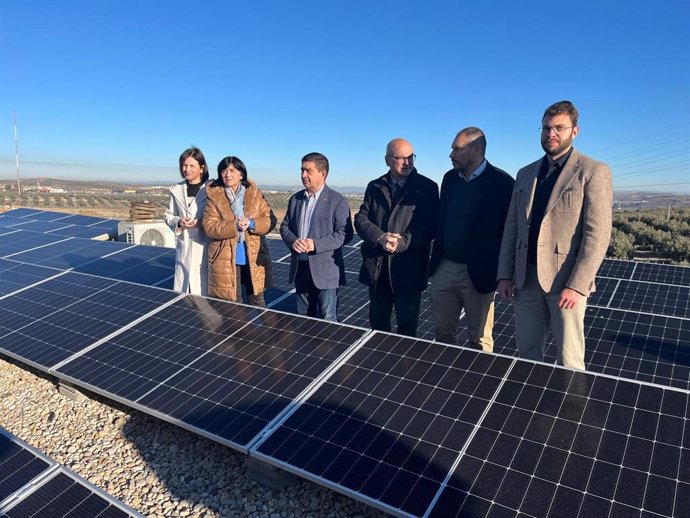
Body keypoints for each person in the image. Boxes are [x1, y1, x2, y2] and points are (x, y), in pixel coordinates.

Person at [497, 100, 613, 370]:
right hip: (525, 280)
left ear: (575, 131)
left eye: (559, 128)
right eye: (546, 128)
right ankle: (528, 405)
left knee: (570, 359)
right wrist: (504, 274)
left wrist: (578, 284)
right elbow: (511, 227)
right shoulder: (525, 174)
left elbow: (598, 234)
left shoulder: (593, 171)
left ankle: (571, 411)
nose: (551, 134)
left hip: (565, 282)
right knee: (527, 354)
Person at [429, 128, 514, 351]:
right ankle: (446, 381)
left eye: (456, 149)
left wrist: (505, 273)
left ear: (476, 150)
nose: (451, 154)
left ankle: (478, 383)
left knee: (480, 339)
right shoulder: (449, 179)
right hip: (444, 267)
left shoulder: (503, 183)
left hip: (479, 272)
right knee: (443, 333)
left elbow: (510, 231)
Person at [355, 138, 438, 336]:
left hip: (409, 268)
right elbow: (361, 219)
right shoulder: (374, 186)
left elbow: (429, 225)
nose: (407, 162)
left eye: (410, 157)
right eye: (400, 158)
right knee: (378, 325)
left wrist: (402, 242)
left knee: (407, 328)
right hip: (378, 268)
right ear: (387, 160)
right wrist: (380, 237)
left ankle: (405, 365)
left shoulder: (427, 187)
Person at [280, 152, 353, 321]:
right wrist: (293, 241)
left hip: (326, 271)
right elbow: (285, 227)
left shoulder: (337, 200)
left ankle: (328, 348)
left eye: (308, 171)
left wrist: (315, 244)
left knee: (328, 319)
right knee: (304, 318)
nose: (303, 175)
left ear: (323, 173)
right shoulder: (295, 200)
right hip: (301, 268)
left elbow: (345, 234)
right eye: (302, 170)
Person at [203, 156, 276, 306]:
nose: (227, 174)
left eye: (232, 170)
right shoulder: (214, 197)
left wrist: (252, 223)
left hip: (254, 256)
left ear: (241, 174)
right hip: (225, 258)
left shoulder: (255, 194)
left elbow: (269, 220)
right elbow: (209, 227)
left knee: (257, 302)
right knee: (232, 306)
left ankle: (259, 331)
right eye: (223, 171)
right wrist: (234, 226)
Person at [164, 147, 211, 296]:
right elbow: (168, 215)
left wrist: (203, 222)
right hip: (184, 246)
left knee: (204, 297)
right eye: (184, 165)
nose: (187, 169)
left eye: (191, 166)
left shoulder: (212, 188)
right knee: (183, 297)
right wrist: (179, 222)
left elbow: (221, 215)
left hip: (205, 246)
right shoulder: (176, 190)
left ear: (201, 168)